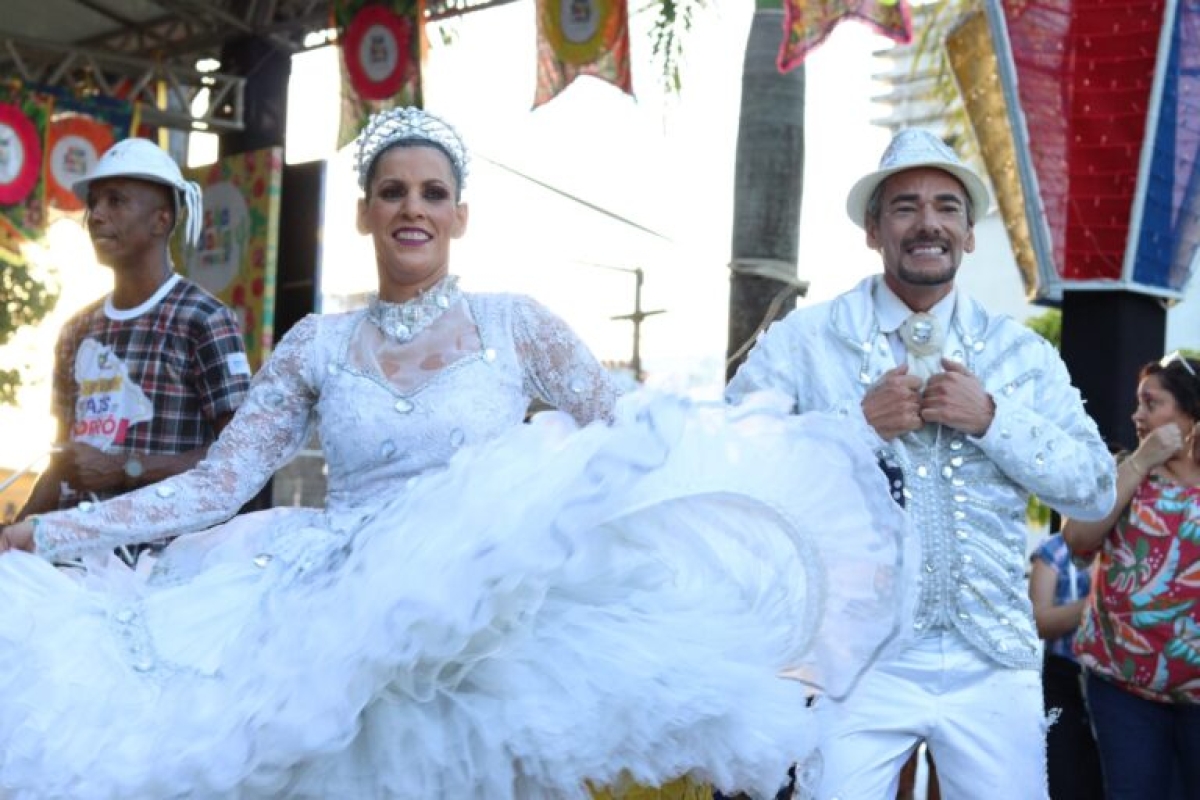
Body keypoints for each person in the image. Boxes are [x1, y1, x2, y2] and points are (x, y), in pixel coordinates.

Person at [0, 107, 913, 800]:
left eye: (433, 193)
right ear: (365, 213)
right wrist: (46, 537)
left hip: (490, 628)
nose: (413, 209)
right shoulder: (316, 342)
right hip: (337, 613)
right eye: (393, 192)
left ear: (460, 216)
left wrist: (815, 440)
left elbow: (645, 440)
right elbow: (217, 484)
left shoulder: (519, 326)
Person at [726, 128, 1117, 799]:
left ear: (968, 233)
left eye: (946, 206)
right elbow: (731, 463)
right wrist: (856, 426)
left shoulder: (1020, 355)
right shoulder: (807, 341)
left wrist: (995, 419)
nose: (927, 222)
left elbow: (1095, 488)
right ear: (874, 230)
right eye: (905, 207)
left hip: (993, 658)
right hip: (854, 658)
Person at [15, 137, 251, 554]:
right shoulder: (76, 330)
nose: (96, 215)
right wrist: (15, 535)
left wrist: (126, 468)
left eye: (115, 201)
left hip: (159, 561)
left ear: (161, 220)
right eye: (94, 203)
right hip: (72, 555)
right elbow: (63, 460)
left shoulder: (204, 320)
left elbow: (241, 461)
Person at [1063, 352, 1200, 800]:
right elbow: (1077, 537)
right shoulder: (1123, 470)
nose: (1136, 415)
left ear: (1191, 411)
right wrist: (1141, 463)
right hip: (1122, 689)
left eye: (1151, 403)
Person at [1028, 531, 1104, 800]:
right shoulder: (1054, 549)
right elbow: (1039, 621)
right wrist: (1096, 602)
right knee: (1064, 773)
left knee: (1106, 775)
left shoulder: (1126, 537)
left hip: (1111, 679)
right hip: (1064, 676)